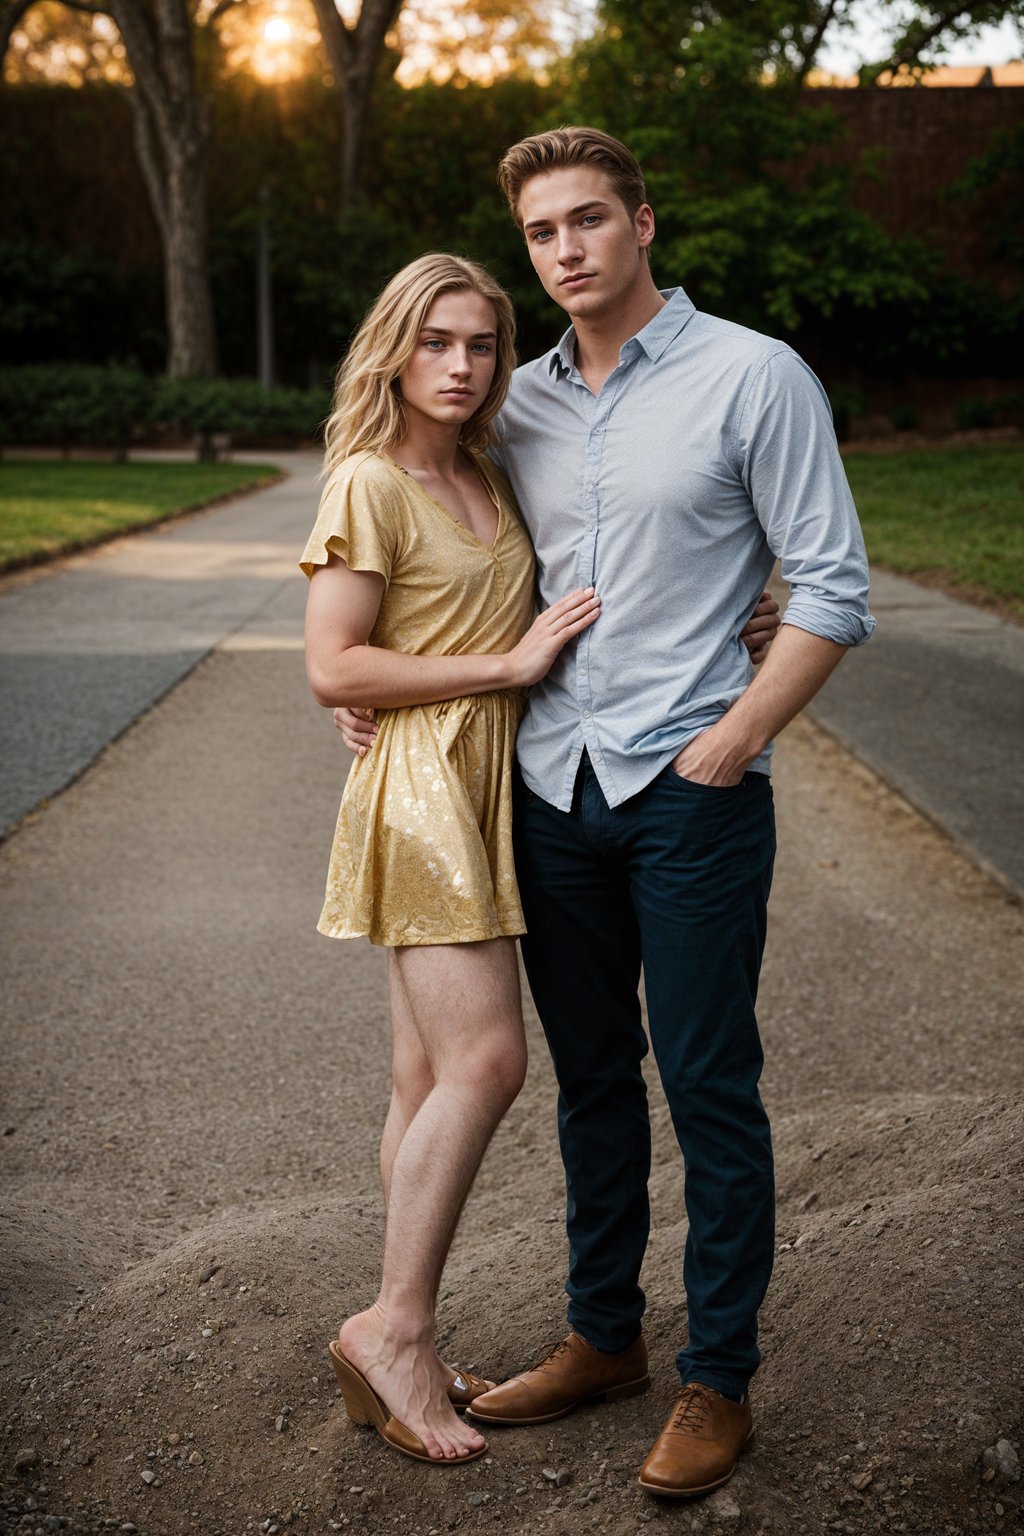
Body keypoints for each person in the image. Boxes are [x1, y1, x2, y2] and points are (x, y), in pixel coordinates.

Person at [336, 127, 874, 1498]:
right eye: (542, 233)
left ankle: (718, 1378)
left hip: (689, 791)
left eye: (589, 220)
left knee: (706, 1084)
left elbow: (829, 586)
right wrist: (368, 686)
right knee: (587, 1084)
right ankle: (602, 1338)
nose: (567, 249)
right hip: (546, 786)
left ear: (643, 222)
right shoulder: (507, 404)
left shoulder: (756, 377)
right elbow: (420, 533)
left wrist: (738, 734)